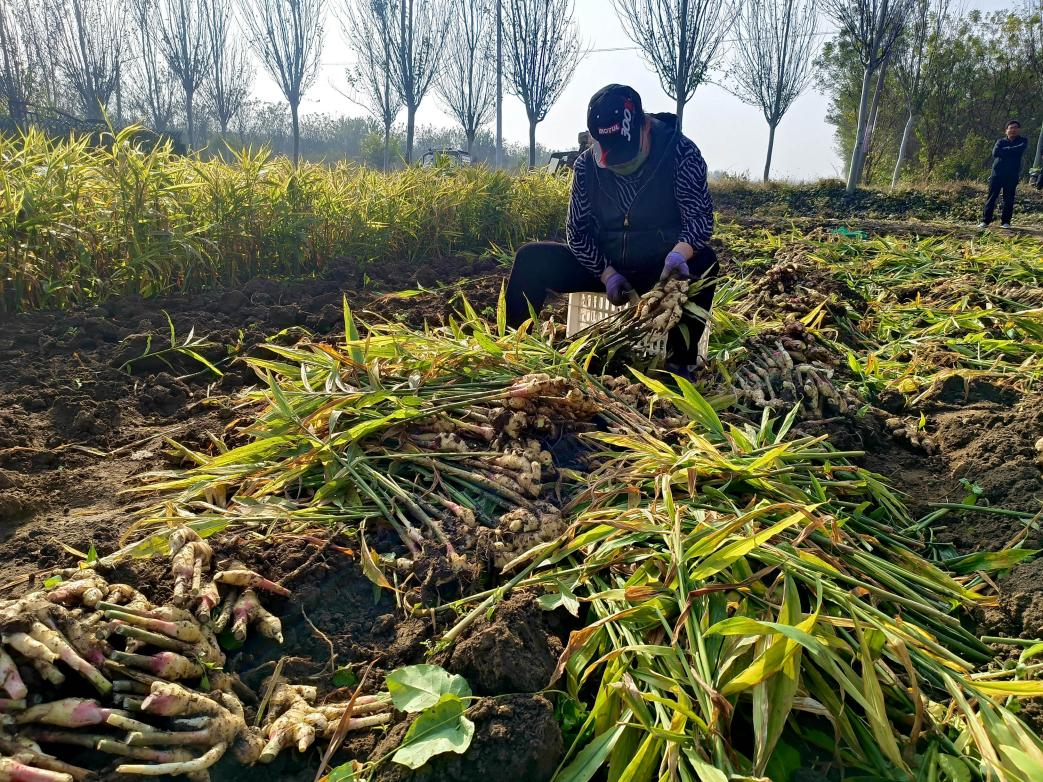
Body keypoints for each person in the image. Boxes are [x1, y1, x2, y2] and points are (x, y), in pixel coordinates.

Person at [504, 84, 717, 373]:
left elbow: (699, 219)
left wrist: (680, 253)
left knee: (704, 262)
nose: (621, 166)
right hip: (607, 265)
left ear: (644, 126)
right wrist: (606, 273)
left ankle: (678, 366)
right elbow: (577, 233)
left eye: (627, 156)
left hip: (660, 269)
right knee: (531, 259)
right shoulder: (586, 167)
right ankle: (512, 352)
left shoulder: (680, 153)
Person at [980, 120, 1029, 229]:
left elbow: (1019, 149)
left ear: (1019, 130)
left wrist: (1005, 151)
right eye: (1010, 128)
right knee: (991, 198)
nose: (1013, 130)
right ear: (1006, 131)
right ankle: (985, 221)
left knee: (1009, 199)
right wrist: (1011, 151)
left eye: (1015, 127)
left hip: (1012, 175)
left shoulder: (1023, 141)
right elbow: (995, 153)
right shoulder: (1000, 141)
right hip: (997, 174)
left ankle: (1005, 222)